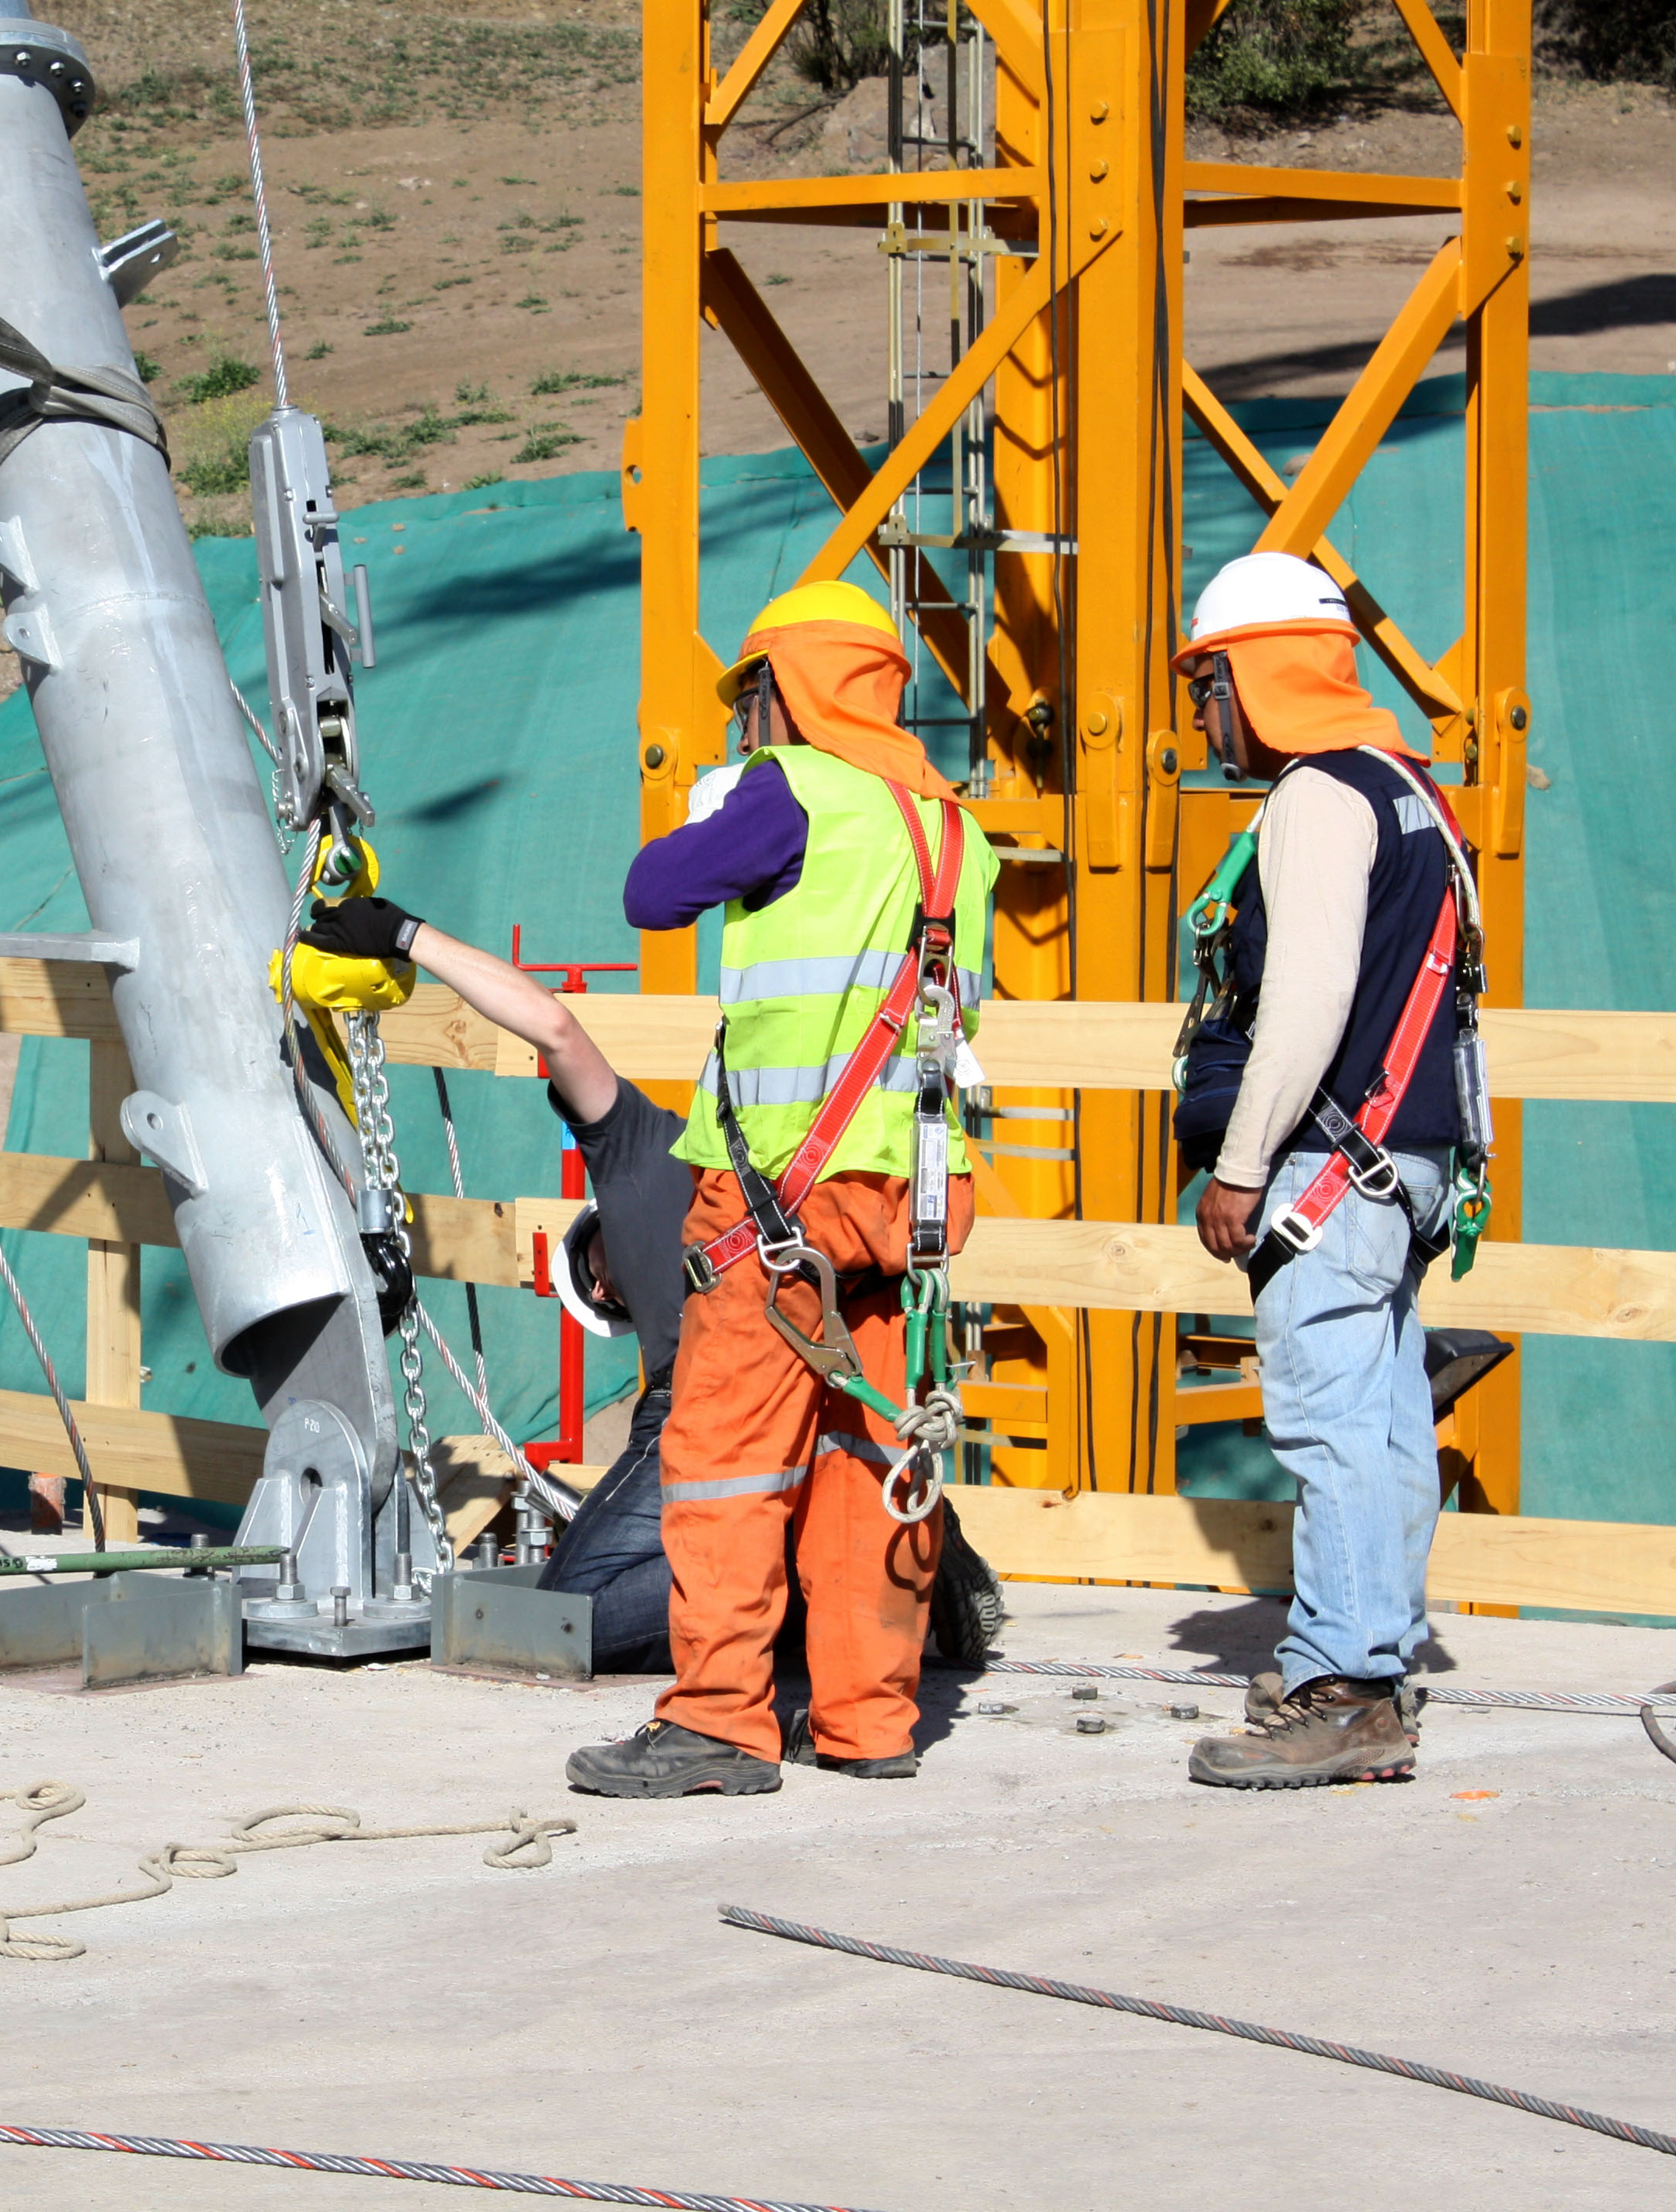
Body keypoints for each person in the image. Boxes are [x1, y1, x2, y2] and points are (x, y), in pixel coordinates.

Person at [293, 899, 1012, 1684]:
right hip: (761, 1393)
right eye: (612, 1305)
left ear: (595, 1224)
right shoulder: (725, 1205)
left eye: (594, 1270)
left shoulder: (637, 1149)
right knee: (580, 1601)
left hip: (742, 1394)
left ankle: (822, 1589)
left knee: (568, 1614)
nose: (606, 1287)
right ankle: (851, 1579)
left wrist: (410, 937)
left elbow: (552, 1028)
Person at [561, 583, 996, 1799]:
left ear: (782, 688)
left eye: (749, 700)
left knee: (726, 1459)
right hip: (905, 1198)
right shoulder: (953, 827)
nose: (747, 726)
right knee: (864, 1456)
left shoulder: (790, 791)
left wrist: (714, 818)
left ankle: (719, 1722)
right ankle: (865, 1719)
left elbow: (656, 896)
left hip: (776, 1199)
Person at [1171, 552, 1480, 1790]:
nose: (1202, 712)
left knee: (1333, 1425)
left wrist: (1242, 1164)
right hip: (1409, 1159)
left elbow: (1305, 1002)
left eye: (1208, 683)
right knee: (1392, 1418)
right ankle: (1376, 1660)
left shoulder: (1312, 799)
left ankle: (1341, 1686)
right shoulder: (1415, 794)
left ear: (1260, 675)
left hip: (1326, 1168)